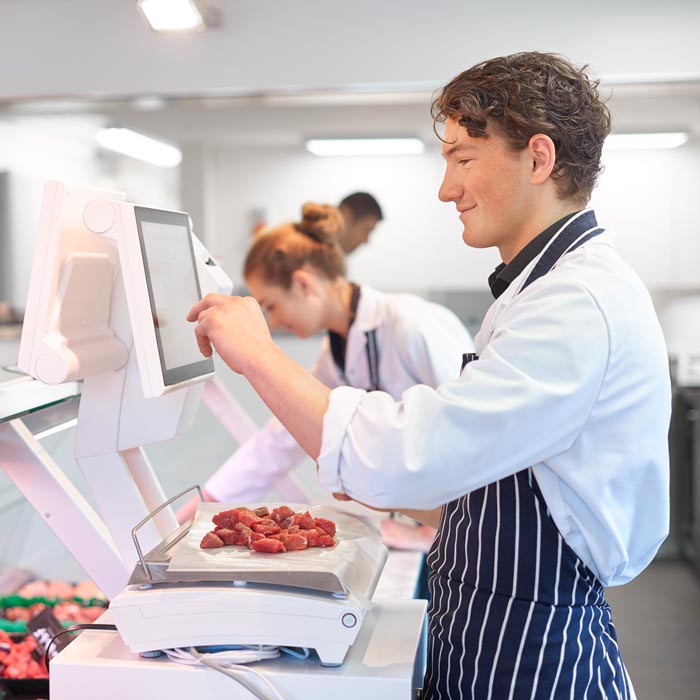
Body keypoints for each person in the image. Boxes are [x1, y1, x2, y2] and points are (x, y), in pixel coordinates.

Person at [187, 52, 671, 698]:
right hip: (483, 628)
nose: (447, 189)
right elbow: (489, 477)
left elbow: (410, 451)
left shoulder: (575, 305)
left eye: (463, 159)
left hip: (534, 656)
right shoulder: (537, 292)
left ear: (539, 159)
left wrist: (258, 353)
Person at [177, 201, 473, 535]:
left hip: (466, 525)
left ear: (303, 284)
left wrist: (433, 528)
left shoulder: (413, 325)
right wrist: (198, 510)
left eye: (271, 306)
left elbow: (472, 433)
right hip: (429, 521)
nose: (273, 322)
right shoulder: (335, 354)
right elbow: (280, 440)